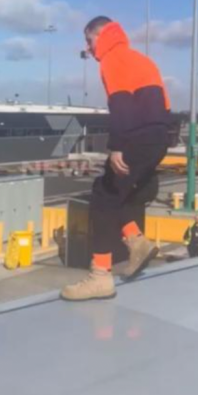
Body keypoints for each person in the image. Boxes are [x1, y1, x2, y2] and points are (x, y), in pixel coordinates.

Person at [61, 16, 171, 301]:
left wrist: (118, 146)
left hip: (137, 135)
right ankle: (137, 242)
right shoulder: (142, 60)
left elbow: (120, 104)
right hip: (158, 136)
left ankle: (100, 276)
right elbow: (165, 107)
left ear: (102, 35)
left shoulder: (113, 59)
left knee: (103, 197)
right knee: (115, 193)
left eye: (89, 40)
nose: (87, 48)